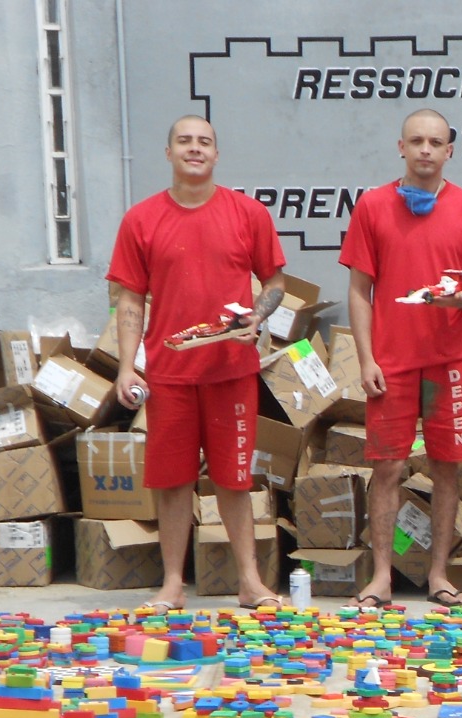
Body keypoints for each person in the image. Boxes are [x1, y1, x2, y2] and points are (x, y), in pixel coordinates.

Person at [109, 115, 287, 613]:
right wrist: (128, 365)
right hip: (168, 374)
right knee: (172, 480)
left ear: (216, 154)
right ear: (168, 153)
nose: (194, 149)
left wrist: (257, 316)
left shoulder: (247, 214)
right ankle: (171, 583)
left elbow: (274, 283)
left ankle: (250, 581)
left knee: (234, 478)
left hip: (231, 368)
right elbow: (129, 299)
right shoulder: (141, 220)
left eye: (204, 142)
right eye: (184, 141)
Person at [340, 108, 462, 609]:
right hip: (391, 364)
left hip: (446, 363)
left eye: (436, 142)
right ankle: (382, 577)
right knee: (386, 469)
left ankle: (438, 576)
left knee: (446, 469)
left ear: (450, 150)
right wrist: (365, 359)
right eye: (417, 141)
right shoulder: (371, 207)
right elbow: (359, 291)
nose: (426, 150)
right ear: (401, 147)